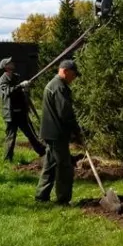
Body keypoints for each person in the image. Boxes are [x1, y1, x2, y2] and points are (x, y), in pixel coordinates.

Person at [35, 59, 82, 205]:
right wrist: (76, 130)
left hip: (50, 132)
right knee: (64, 167)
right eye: (73, 75)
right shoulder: (59, 87)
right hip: (57, 134)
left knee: (50, 164)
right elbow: (65, 113)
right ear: (65, 71)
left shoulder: (53, 85)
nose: (74, 78)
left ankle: (41, 195)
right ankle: (63, 199)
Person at [0, 57, 46, 161]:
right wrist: (20, 86)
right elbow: (8, 92)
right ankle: (7, 159)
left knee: (30, 134)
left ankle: (42, 152)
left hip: (21, 113)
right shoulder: (3, 79)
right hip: (10, 114)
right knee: (11, 137)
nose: (12, 63)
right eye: (10, 62)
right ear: (6, 67)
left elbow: (20, 92)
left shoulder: (16, 77)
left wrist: (25, 88)